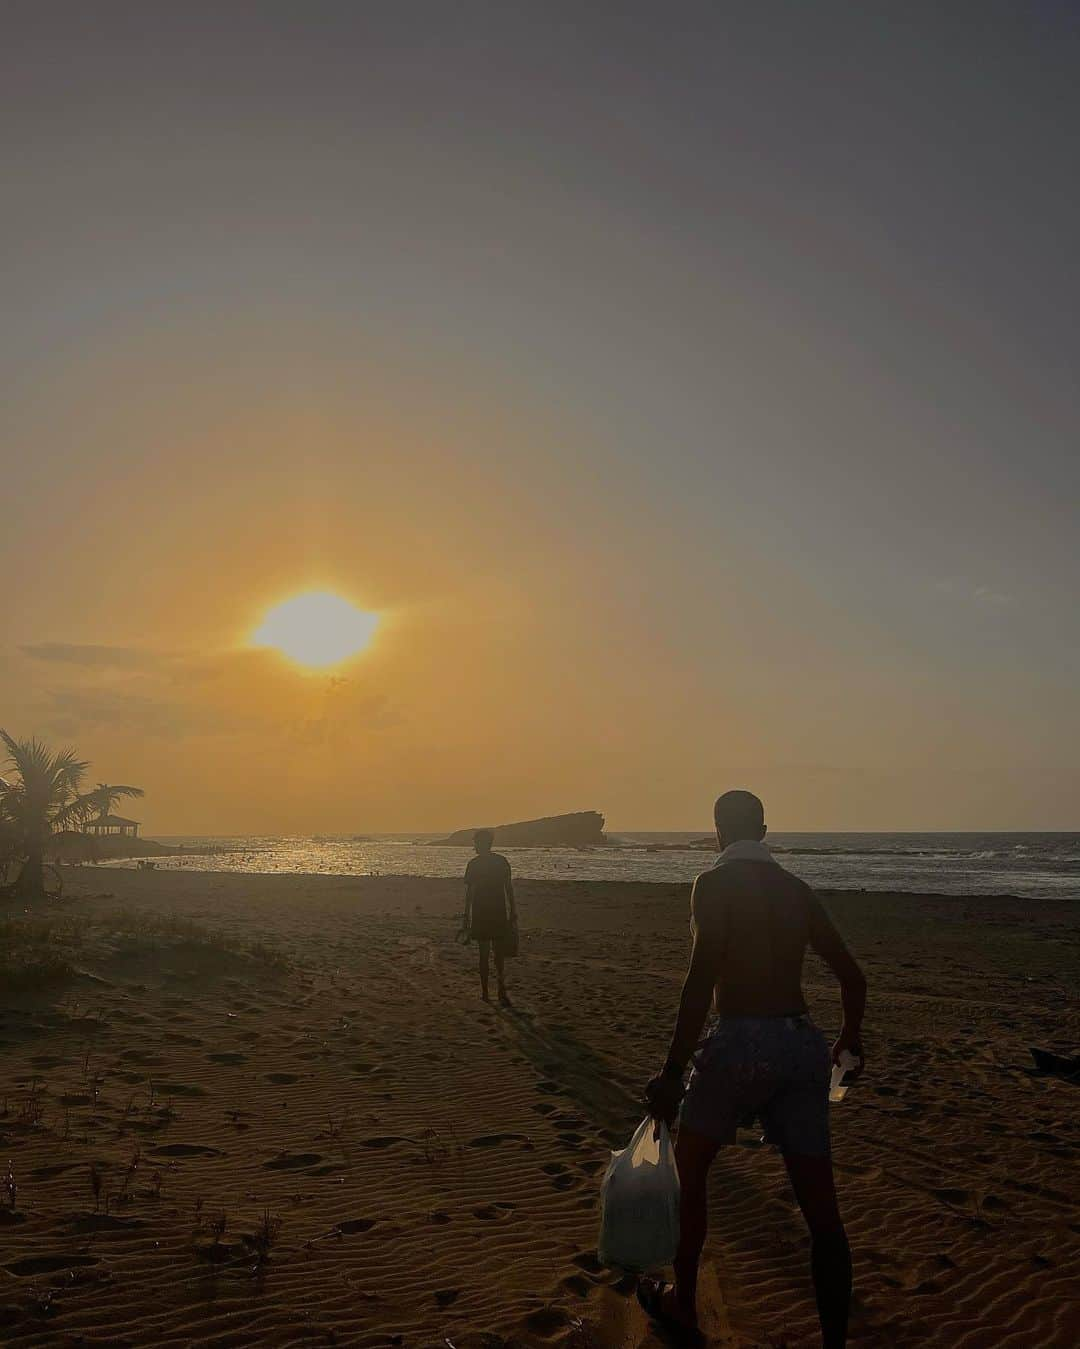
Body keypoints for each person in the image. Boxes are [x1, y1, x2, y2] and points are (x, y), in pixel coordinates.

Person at [641, 790, 866, 1348]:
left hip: (737, 1041)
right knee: (823, 1214)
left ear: (718, 830)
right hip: (798, 1045)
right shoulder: (797, 891)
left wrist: (673, 1070)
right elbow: (852, 976)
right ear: (764, 831)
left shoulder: (711, 885)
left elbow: (701, 978)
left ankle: (685, 1304)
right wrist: (848, 1039)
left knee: (691, 1172)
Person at [462, 828, 517, 1005]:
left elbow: (470, 893)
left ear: (482, 843)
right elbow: (508, 888)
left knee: (484, 955)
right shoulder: (501, 861)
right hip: (498, 911)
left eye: (476, 843)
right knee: (498, 955)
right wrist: (513, 910)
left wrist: (466, 915)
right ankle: (500, 990)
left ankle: (486, 992)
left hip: (481, 912)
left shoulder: (474, 864)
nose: (475, 846)